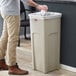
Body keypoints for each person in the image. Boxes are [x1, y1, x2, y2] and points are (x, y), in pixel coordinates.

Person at [0, 0, 48, 75]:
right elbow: (27, 0)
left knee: (5, 36)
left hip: (5, 10)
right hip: (12, 13)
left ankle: (1, 61)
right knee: (13, 39)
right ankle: (12, 66)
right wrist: (38, 6)